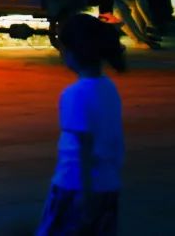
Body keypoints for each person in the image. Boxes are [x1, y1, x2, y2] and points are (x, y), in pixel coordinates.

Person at [37, 13, 125, 236]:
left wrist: (86, 193)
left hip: (74, 185)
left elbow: (84, 147)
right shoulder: (109, 88)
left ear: (73, 52)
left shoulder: (74, 94)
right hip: (108, 184)